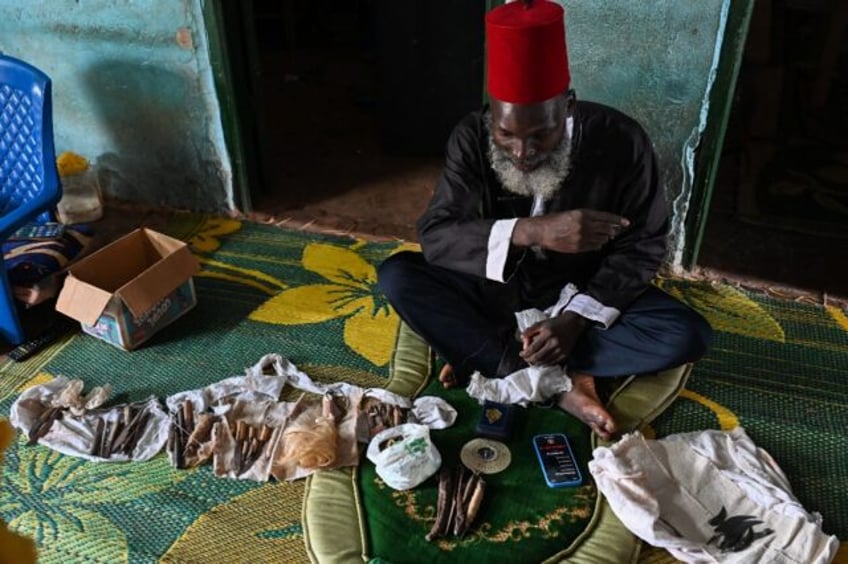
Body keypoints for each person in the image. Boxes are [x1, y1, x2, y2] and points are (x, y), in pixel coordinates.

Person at [377, 0, 712, 440]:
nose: (522, 152)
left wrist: (576, 319)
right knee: (398, 276)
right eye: (506, 133)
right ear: (491, 116)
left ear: (567, 107)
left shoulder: (621, 140)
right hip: (495, 290)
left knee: (685, 335)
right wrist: (531, 231)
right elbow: (438, 236)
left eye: (541, 134)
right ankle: (556, 384)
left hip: (580, 291)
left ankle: (488, 355)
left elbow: (644, 243)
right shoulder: (470, 137)